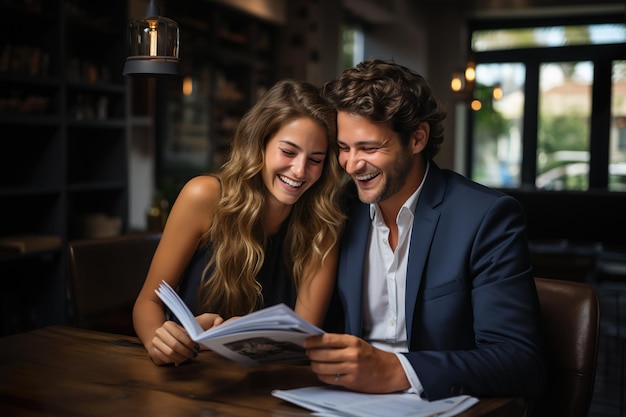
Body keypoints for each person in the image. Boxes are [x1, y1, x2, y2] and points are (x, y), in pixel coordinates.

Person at [303, 59, 546, 401]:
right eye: (344, 148)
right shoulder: (338, 210)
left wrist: (397, 370)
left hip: (437, 402)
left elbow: (520, 362)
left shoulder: (486, 217)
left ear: (417, 138)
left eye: (369, 148)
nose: (352, 165)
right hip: (342, 402)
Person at [133, 79, 346, 366]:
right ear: (259, 144)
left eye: (315, 159)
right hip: (190, 374)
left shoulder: (322, 225)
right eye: (288, 151)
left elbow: (302, 339)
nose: (299, 170)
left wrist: (242, 338)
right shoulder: (203, 196)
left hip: (265, 385)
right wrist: (158, 339)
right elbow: (148, 302)